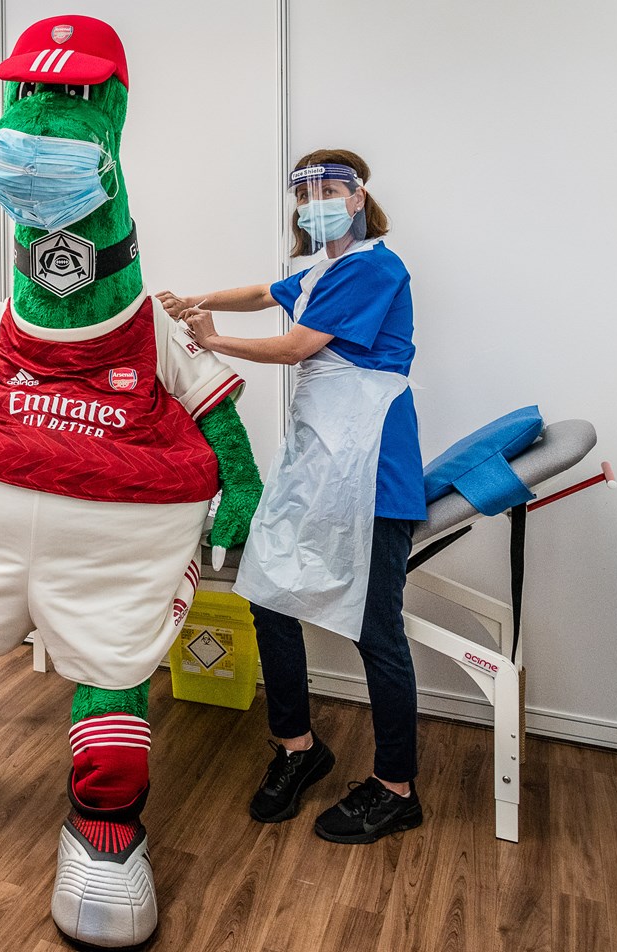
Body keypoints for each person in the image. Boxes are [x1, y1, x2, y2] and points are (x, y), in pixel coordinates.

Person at [157, 149, 427, 844]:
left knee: (378, 634)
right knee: (268, 595)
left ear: (359, 197)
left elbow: (298, 346)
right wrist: (201, 300)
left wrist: (212, 340)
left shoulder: (375, 265)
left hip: (372, 469)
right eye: (305, 195)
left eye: (330, 190)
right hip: (317, 462)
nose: (316, 204)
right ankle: (298, 748)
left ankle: (396, 788)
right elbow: (267, 291)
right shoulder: (321, 270)